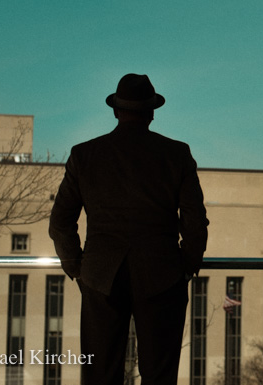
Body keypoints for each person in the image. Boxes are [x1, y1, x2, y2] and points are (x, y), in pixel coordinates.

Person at [49, 74, 209, 385]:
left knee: (100, 375)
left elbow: (60, 221)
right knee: (159, 375)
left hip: (100, 275)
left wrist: (77, 267)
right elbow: (195, 220)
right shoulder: (177, 154)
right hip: (161, 274)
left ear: (115, 111)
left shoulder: (84, 154)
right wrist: (186, 267)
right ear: (152, 112)